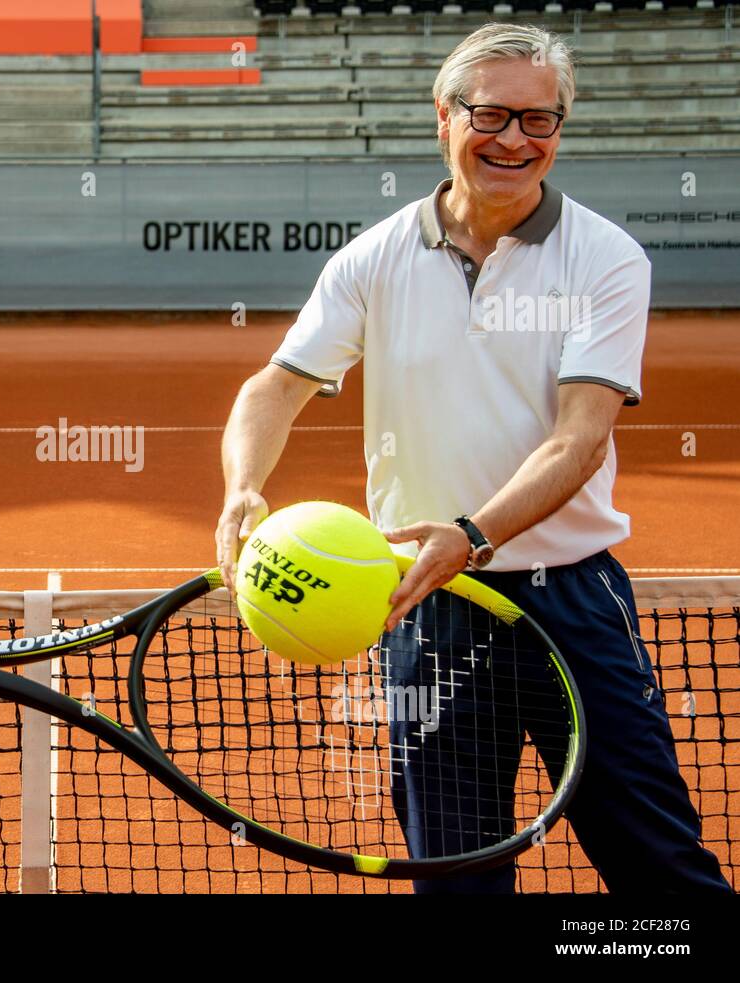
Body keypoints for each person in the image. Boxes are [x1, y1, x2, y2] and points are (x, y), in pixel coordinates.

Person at [215, 24, 731, 893]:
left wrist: (471, 532)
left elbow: (580, 438)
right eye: (491, 114)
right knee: (455, 880)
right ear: (443, 117)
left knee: (663, 871)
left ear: (560, 130)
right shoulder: (374, 257)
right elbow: (275, 386)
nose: (515, 140)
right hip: (428, 609)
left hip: (570, 601)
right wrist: (240, 489)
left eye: (540, 120)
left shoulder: (607, 258)